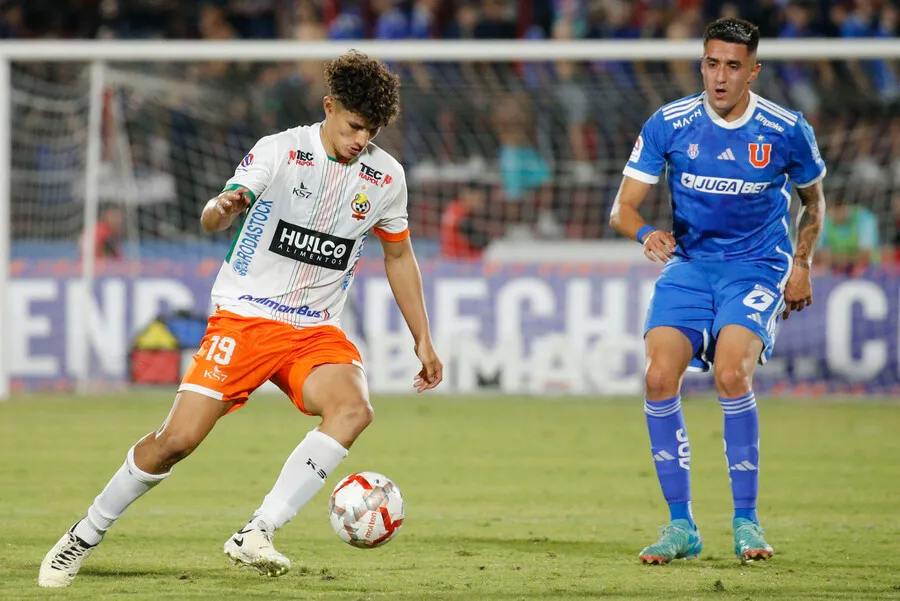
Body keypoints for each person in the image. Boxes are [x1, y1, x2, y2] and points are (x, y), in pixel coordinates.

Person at [38, 51, 444, 588]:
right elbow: (220, 209)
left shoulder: (386, 178)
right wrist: (224, 207)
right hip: (246, 318)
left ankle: (258, 531)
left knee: (353, 408)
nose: (359, 141)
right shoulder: (279, 152)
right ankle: (84, 534)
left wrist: (424, 338)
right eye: (352, 126)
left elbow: (398, 256)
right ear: (329, 107)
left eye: (370, 132)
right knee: (176, 441)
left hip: (314, 329)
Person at [609, 18, 826, 565]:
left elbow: (814, 204)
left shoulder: (785, 129)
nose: (720, 77)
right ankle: (681, 525)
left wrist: (802, 264)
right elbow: (622, 208)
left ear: (752, 70)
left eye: (733, 66)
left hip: (756, 266)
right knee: (659, 377)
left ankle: (747, 522)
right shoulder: (670, 123)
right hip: (690, 266)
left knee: (732, 373)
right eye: (711, 63)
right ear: (701, 64)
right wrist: (646, 232)